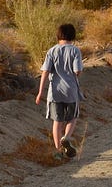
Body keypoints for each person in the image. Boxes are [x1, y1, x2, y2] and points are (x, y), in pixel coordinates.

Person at [35, 23, 84, 158]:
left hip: (54, 92)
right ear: (73, 35)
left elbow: (45, 72)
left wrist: (40, 92)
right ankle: (66, 138)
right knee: (72, 117)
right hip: (71, 91)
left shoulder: (51, 51)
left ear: (58, 35)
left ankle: (58, 151)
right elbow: (77, 70)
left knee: (57, 121)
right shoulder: (75, 51)